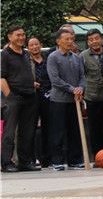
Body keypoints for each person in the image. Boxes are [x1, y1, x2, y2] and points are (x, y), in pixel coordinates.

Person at [1, 25, 40, 172]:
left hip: (30, 96)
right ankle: (6, 163)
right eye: (18, 35)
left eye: (23, 34)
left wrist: (31, 84)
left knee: (27, 132)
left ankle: (24, 162)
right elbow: (2, 77)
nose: (21, 37)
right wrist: (9, 96)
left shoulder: (25, 53)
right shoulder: (5, 54)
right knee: (9, 132)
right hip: (14, 98)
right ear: (10, 37)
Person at [46, 29, 86, 170]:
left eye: (71, 39)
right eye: (66, 39)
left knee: (75, 131)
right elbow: (55, 80)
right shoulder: (53, 57)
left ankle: (75, 160)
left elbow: (82, 76)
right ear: (58, 41)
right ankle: (57, 161)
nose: (70, 41)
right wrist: (72, 89)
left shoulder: (76, 57)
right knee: (58, 132)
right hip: (58, 101)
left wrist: (81, 87)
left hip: (74, 101)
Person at [80, 30, 103, 155]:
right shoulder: (83, 56)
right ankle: (98, 156)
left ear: (101, 39)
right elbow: (81, 75)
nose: (94, 42)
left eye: (96, 38)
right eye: (91, 40)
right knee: (94, 129)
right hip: (92, 97)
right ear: (88, 42)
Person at [28, 37, 52, 167]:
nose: (34, 47)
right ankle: (32, 158)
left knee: (47, 127)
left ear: (41, 45)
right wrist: (30, 83)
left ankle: (46, 158)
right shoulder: (26, 61)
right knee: (31, 127)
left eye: (36, 44)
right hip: (32, 96)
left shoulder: (48, 59)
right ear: (28, 48)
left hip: (47, 95)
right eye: (31, 45)